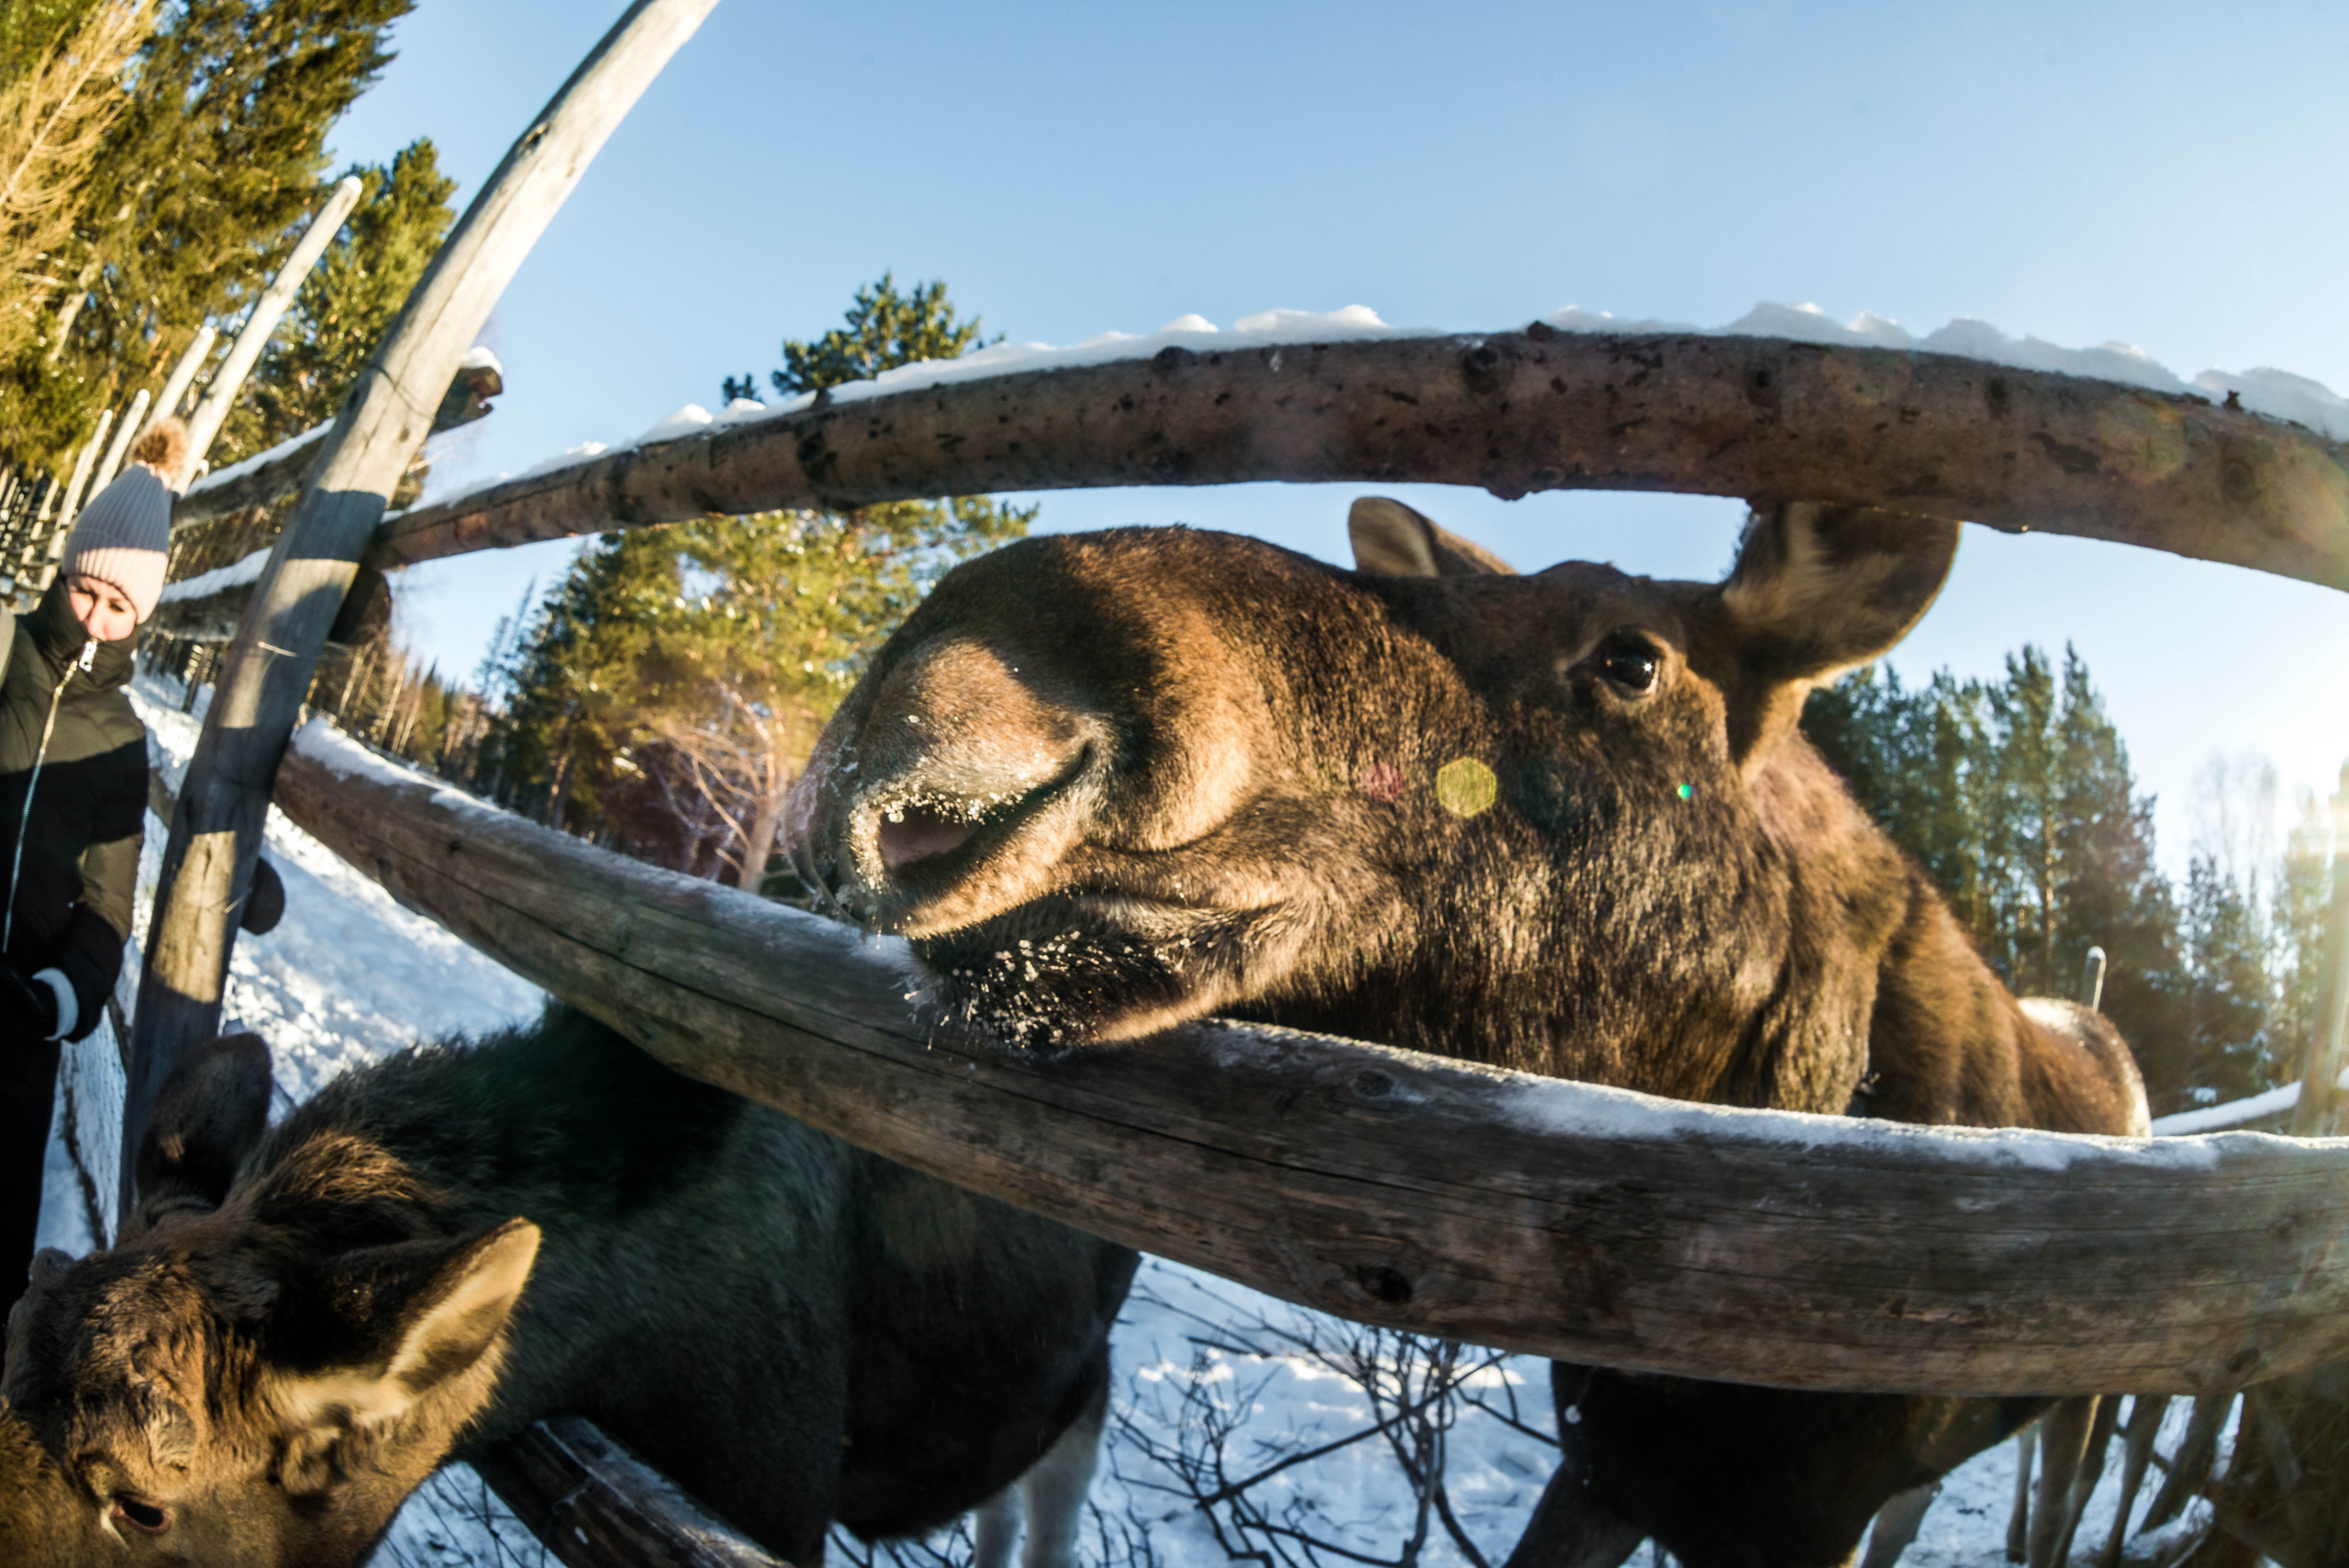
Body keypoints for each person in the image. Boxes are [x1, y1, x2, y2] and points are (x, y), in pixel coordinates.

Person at [0, 418, 178, 1323]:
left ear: (140, 617)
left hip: (14, 1040)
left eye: (121, 606)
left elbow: (108, 912)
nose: (96, 617)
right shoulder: (2, 656)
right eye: (86, 589)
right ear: (63, 572)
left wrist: (52, 1001)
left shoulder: (122, 746)